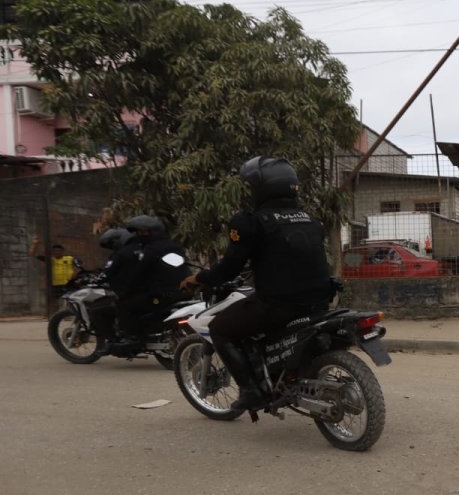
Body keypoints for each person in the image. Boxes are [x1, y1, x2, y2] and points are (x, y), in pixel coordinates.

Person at [180, 156, 333, 410]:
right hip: (319, 300)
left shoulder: (250, 221)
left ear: (260, 187)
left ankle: (251, 391)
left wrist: (199, 278)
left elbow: (229, 267)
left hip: (278, 305)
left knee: (220, 328)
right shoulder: (309, 219)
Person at [106, 216, 190, 354]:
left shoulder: (150, 250)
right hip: (182, 291)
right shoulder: (174, 246)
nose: (139, 235)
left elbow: (139, 274)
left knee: (124, 304)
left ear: (154, 232)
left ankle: (134, 339)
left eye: (143, 232)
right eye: (138, 233)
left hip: (162, 294)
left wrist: (125, 291)